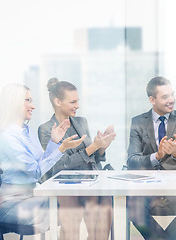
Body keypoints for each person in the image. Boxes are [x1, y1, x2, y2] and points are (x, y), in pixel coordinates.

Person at [0, 84, 85, 233]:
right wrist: (61, 148)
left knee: (71, 205)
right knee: (67, 208)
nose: (33, 106)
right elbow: (36, 172)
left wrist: (54, 142)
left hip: (32, 198)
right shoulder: (8, 137)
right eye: (28, 100)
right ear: (14, 102)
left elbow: (40, 162)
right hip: (12, 206)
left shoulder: (27, 131)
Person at [38, 78, 116, 240]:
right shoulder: (46, 129)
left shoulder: (81, 121)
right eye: (73, 102)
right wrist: (93, 147)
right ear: (58, 101)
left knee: (106, 206)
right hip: (67, 185)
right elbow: (59, 164)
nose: (77, 106)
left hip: (92, 182)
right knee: (73, 217)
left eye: (78, 101)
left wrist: (101, 146)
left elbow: (93, 159)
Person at [127, 76, 176, 240]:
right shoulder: (138, 122)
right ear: (152, 99)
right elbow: (132, 161)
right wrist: (157, 156)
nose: (171, 100)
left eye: (172, 95)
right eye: (165, 97)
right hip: (147, 187)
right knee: (133, 208)